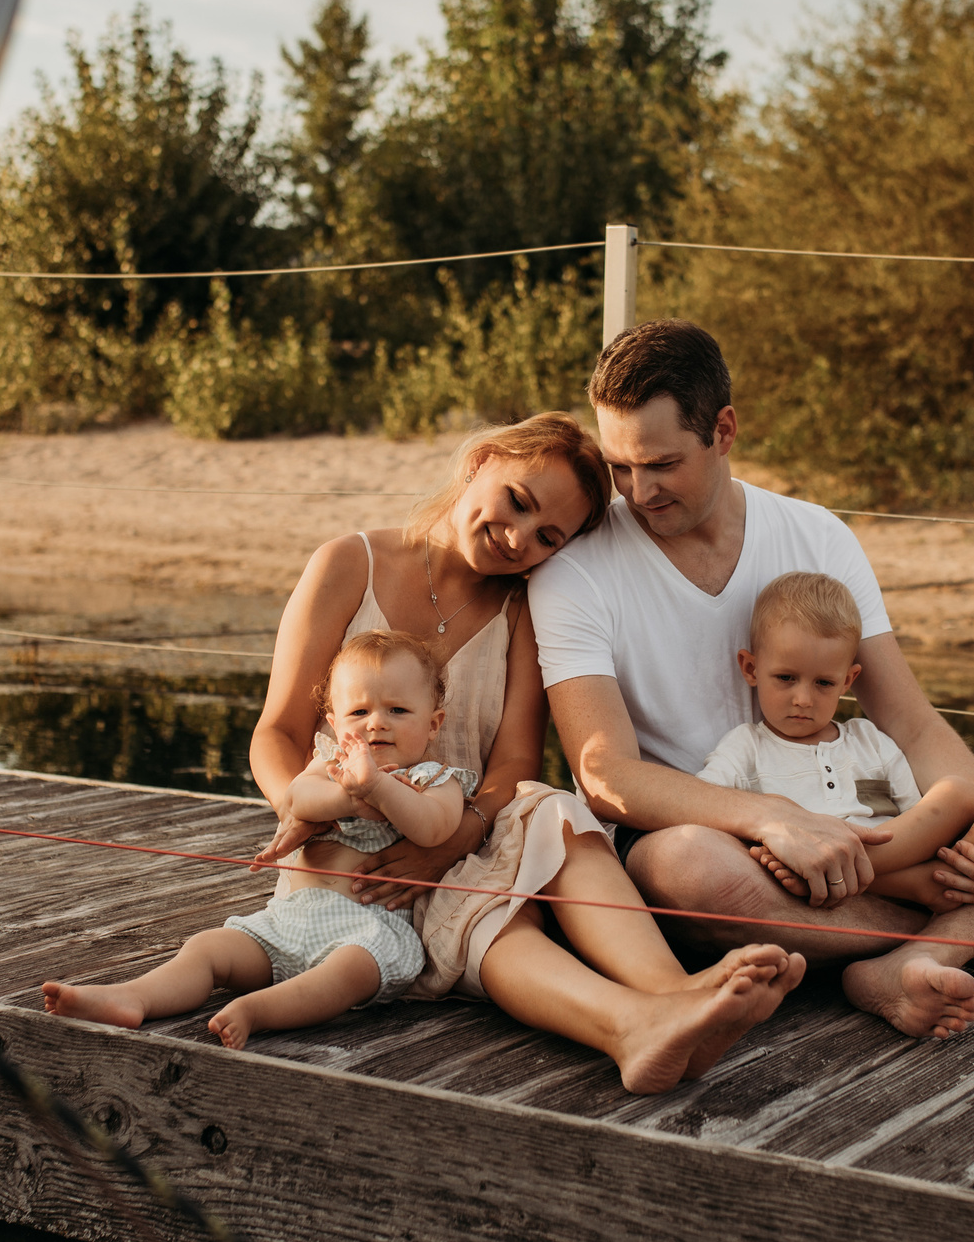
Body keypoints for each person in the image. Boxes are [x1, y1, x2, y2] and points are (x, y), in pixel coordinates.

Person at [533, 321, 974, 1041]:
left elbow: (908, 721)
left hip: (867, 824)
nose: (638, 491)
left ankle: (919, 956)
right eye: (620, 466)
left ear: (723, 430)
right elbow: (604, 774)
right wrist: (770, 819)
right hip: (717, 842)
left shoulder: (816, 534)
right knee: (689, 868)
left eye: (661, 463)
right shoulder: (575, 568)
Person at [242, 412, 803, 1094]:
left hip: (459, 826)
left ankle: (676, 995)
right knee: (482, 911)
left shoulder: (524, 607)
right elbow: (277, 731)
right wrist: (296, 809)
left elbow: (511, 765)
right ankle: (631, 1023)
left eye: (547, 537)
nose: (517, 539)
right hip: (349, 852)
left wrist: (450, 840)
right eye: (517, 502)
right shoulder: (347, 563)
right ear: (481, 461)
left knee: (552, 807)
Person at [42, 630, 467, 1050]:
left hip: (370, 931)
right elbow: (298, 798)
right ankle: (133, 996)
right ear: (334, 723)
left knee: (350, 972)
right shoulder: (331, 764)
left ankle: (257, 1010)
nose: (376, 722)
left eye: (397, 710)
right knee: (207, 948)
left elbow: (434, 828)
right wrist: (350, 796)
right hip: (286, 921)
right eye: (359, 712)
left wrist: (378, 787)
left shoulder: (431, 780)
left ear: (433, 724)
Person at [701, 570, 974, 909]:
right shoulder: (746, 747)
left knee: (960, 791)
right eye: (786, 678)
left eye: (823, 683)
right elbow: (703, 803)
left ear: (848, 680)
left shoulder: (869, 741)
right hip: (801, 855)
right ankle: (917, 883)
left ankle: (876, 875)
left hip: (880, 855)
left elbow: (915, 815)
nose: (803, 698)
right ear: (751, 668)